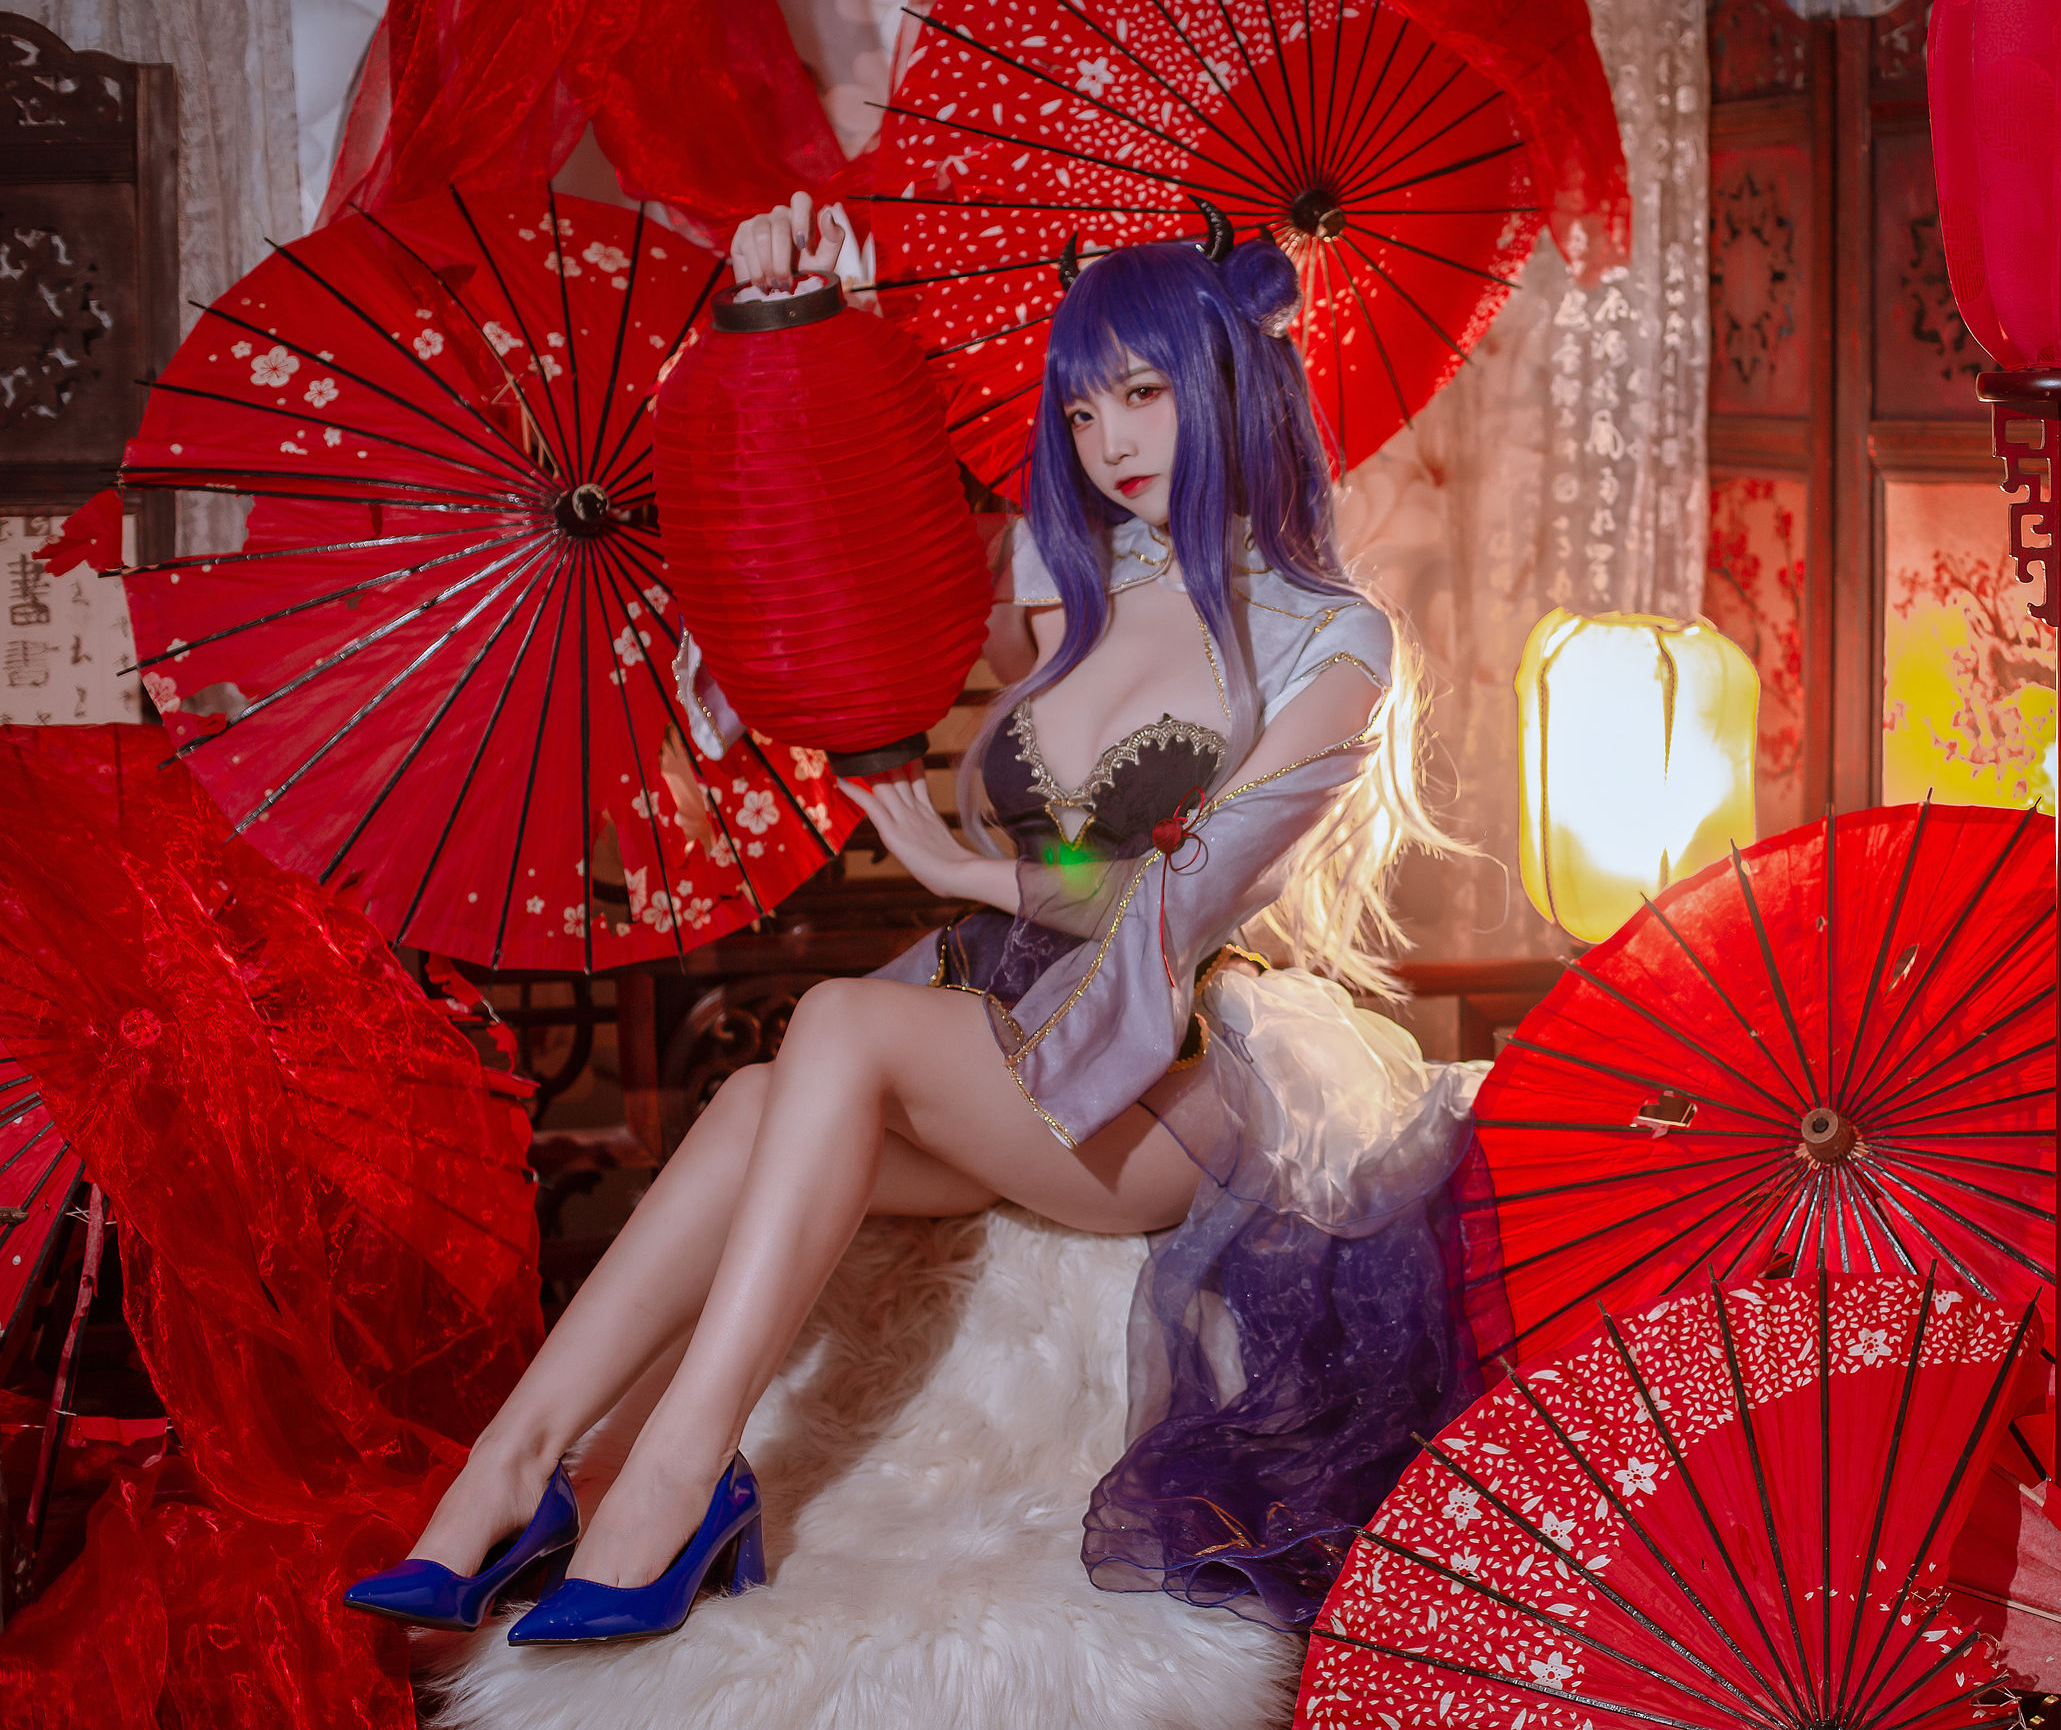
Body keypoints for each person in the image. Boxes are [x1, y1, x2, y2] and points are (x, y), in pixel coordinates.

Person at [344, 194, 1489, 1645]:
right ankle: (517, 1470)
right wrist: (810, 334)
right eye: (1083, 411)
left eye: (1143, 394)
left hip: (1160, 1086)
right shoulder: (1058, 579)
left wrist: (972, 877)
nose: (1110, 442)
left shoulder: (1330, 635)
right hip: (1000, 1038)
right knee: (753, 1098)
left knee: (836, 1019)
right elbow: (832, 579)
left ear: (1230, 381)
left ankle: (674, 1480)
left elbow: (1189, 886)